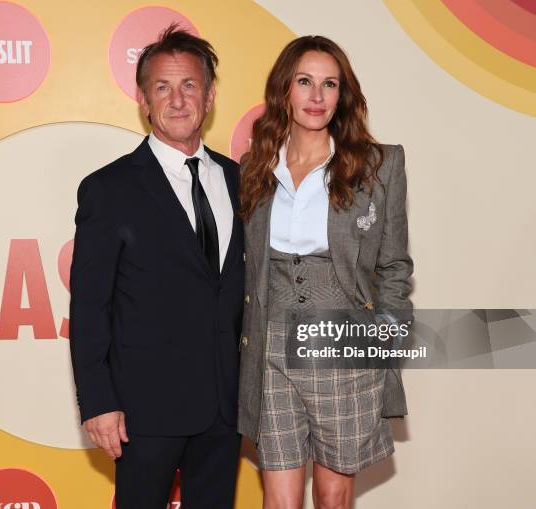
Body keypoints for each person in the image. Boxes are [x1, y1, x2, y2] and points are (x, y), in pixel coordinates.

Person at [69, 26, 244, 509]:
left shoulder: (242, 181)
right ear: (143, 99)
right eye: (162, 87)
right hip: (143, 411)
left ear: (209, 96)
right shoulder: (110, 189)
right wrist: (99, 402)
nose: (178, 100)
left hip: (226, 410)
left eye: (189, 85)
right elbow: (90, 306)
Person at [237, 35, 413, 508]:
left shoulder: (378, 166)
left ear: (342, 94)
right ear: (284, 92)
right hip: (271, 349)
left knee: (333, 499)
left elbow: (395, 267)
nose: (317, 97)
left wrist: (384, 341)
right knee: (279, 499)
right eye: (305, 82)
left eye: (329, 84)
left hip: (341, 346)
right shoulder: (253, 169)